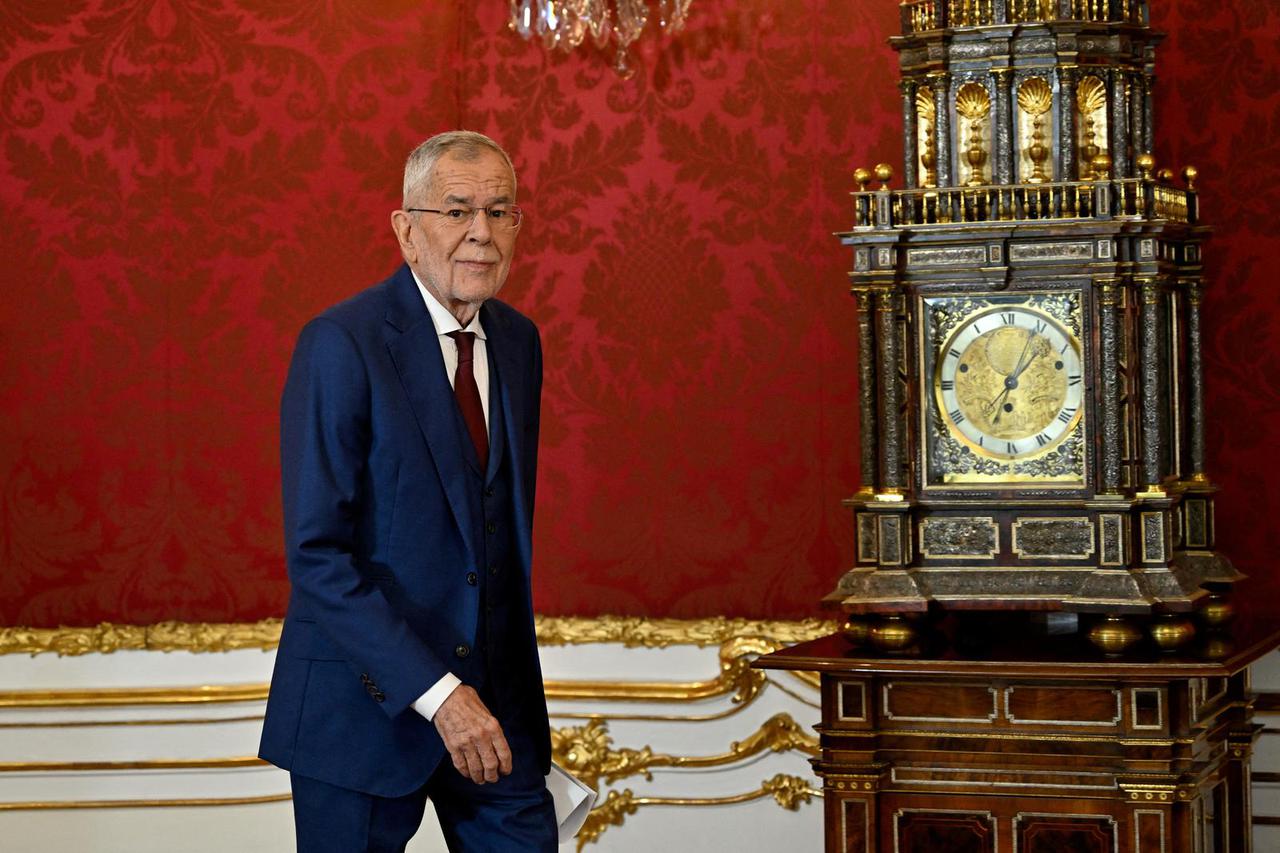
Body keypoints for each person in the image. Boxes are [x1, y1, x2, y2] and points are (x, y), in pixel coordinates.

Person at [259, 130, 556, 852]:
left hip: (496, 712)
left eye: (499, 210)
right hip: (359, 714)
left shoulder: (519, 342)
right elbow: (320, 557)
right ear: (406, 228)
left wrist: (487, 698)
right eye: (456, 210)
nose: (481, 232)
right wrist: (439, 694)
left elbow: (491, 535)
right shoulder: (341, 342)